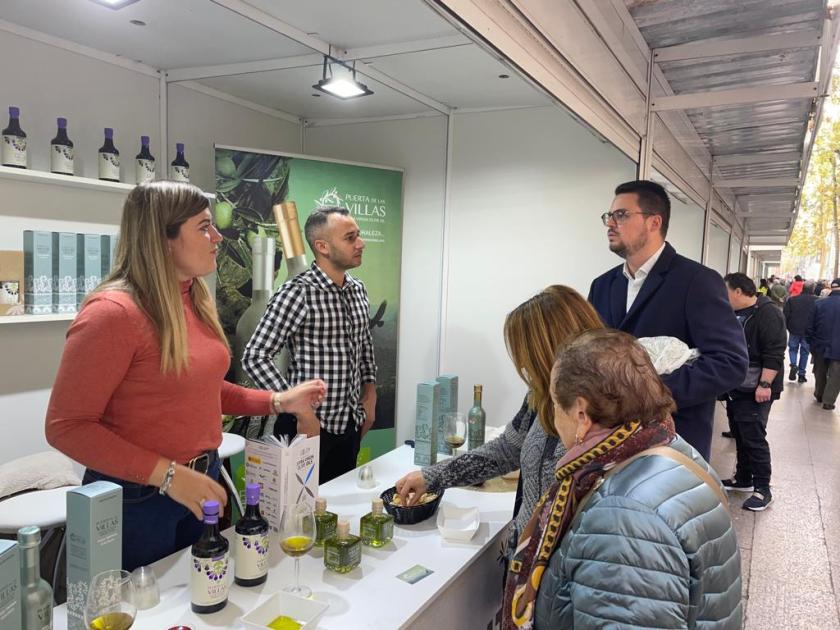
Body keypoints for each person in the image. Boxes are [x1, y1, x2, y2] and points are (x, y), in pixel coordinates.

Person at [45, 181, 327, 571]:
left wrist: (278, 401)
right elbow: (66, 427)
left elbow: (199, 388)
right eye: (204, 228)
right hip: (137, 498)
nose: (218, 238)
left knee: (202, 595)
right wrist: (169, 476)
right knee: (143, 602)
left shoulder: (192, 298)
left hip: (199, 480)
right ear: (163, 239)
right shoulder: (112, 314)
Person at [503, 329, 741, 629]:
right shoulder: (674, 450)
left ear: (581, 415)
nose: (552, 414)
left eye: (554, 403)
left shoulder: (619, 517)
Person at [394, 285, 603, 542]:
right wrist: (432, 476)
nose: (523, 366)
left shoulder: (597, 420)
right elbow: (506, 450)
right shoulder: (540, 395)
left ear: (547, 352)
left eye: (526, 356)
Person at [588, 180, 748, 460]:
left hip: (671, 446)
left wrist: (648, 393)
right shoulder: (602, 285)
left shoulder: (697, 281)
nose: (610, 224)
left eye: (621, 215)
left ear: (654, 222)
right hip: (608, 443)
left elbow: (730, 363)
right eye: (609, 216)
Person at [243, 206, 376, 483]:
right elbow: (255, 356)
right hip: (304, 426)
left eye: (358, 235)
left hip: (350, 424)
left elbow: (364, 344)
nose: (360, 244)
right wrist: (297, 407)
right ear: (322, 246)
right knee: (296, 507)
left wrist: (370, 395)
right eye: (350, 238)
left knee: (338, 504)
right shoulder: (298, 292)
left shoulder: (358, 290)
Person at [720, 273, 785, 511]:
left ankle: (763, 489)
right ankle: (743, 478)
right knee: (739, 432)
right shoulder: (735, 313)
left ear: (738, 291)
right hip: (736, 385)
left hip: (757, 387)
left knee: (754, 437)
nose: (723, 297)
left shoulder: (768, 313)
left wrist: (765, 385)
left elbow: (775, 352)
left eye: (725, 291)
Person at [807, 278, 840, 411]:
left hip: (820, 344)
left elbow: (809, 327)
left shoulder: (819, 303)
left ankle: (819, 394)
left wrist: (811, 343)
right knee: (836, 375)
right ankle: (828, 401)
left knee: (820, 371)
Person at [784, 280, 817, 383]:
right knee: (805, 352)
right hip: (808, 330)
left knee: (792, 349)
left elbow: (786, 314)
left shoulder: (792, 300)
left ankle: (793, 365)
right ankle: (801, 374)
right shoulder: (816, 301)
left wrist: (787, 327)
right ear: (812, 289)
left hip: (794, 328)